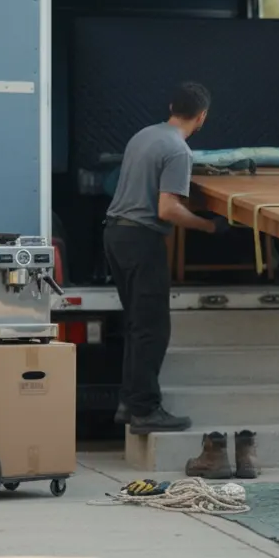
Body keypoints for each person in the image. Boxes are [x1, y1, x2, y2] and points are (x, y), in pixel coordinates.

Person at [103, 82, 229, 435]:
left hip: (115, 234)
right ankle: (145, 410)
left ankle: (130, 403)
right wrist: (208, 226)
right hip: (142, 239)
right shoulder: (178, 151)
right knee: (153, 328)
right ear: (202, 117)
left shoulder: (143, 136)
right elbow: (168, 208)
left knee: (136, 324)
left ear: (172, 105)